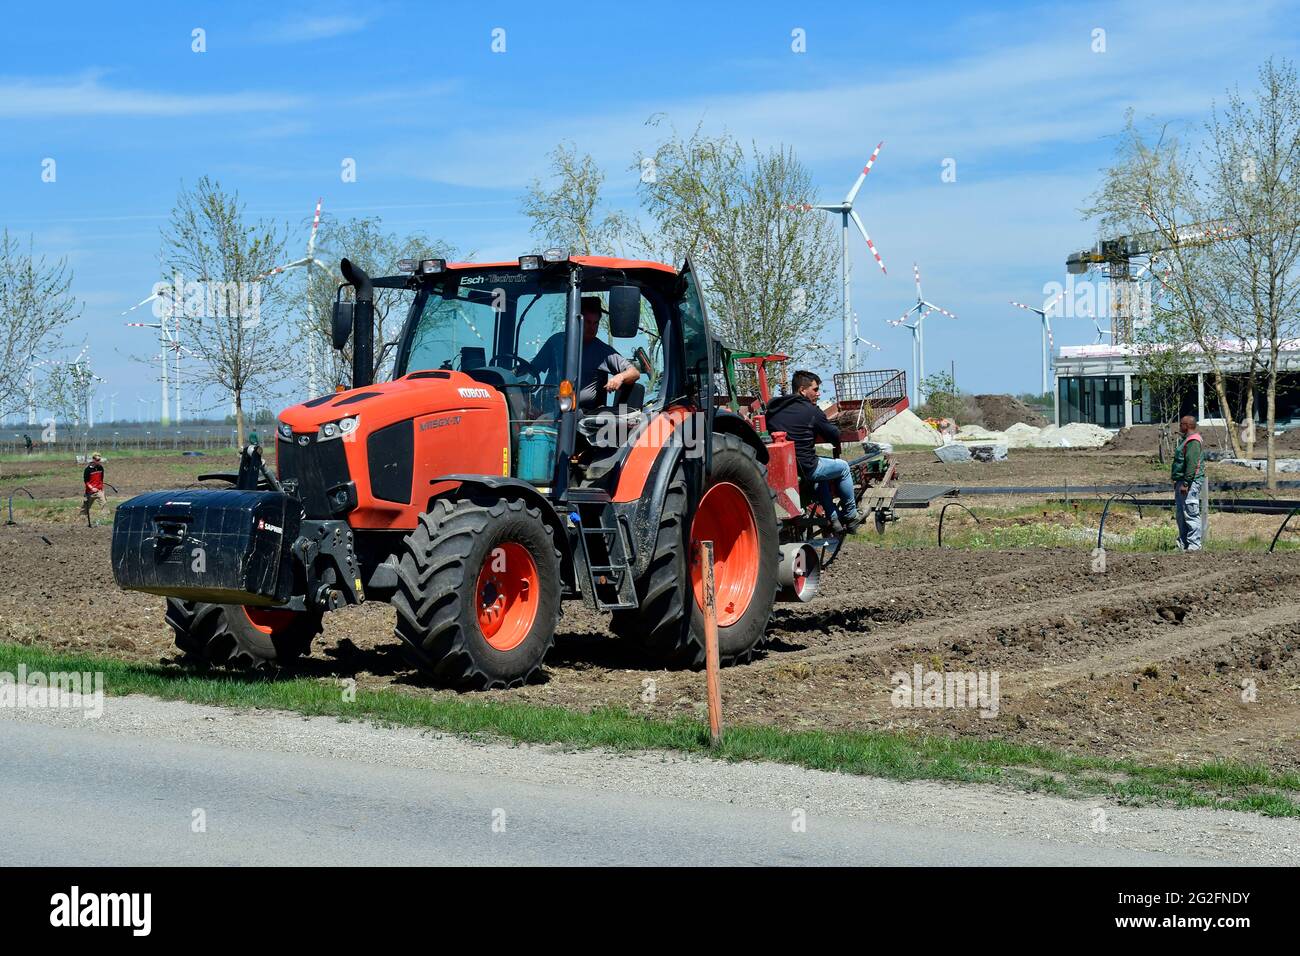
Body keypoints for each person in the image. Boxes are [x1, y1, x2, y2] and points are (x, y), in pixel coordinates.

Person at [766, 370, 861, 534]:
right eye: (815, 390)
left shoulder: (774, 411)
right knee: (844, 467)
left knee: (822, 478)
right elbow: (834, 435)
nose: (818, 394)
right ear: (803, 390)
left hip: (788, 468)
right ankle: (851, 515)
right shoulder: (811, 411)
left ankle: (833, 518)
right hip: (808, 467)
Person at [531, 296, 640, 411]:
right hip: (545, 409)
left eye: (595, 323)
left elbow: (634, 373)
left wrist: (619, 377)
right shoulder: (556, 342)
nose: (592, 328)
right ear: (576, 322)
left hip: (577, 417)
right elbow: (532, 371)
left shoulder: (602, 351)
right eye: (588, 322)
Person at [1172, 415, 1205, 551]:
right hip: (1182, 482)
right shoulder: (1186, 440)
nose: (1179, 426)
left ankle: (1194, 544)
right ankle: (1184, 542)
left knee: (1191, 513)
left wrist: (1186, 483)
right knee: (1181, 514)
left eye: (1181, 424)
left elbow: (1192, 464)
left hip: (1190, 483)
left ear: (1186, 425)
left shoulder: (1193, 441)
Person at [80, 452, 107, 528]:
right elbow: (86, 481)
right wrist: (92, 488)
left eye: (99, 459)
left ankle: (102, 521)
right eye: (97, 460)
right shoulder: (87, 470)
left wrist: (101, 489)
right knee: (85, 508)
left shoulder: (100, 468)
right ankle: (82, 523)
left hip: (99, 490)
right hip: (90, 492)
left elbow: (101, 479)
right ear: (93, 459)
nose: (99, 461)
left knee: (104, 504)